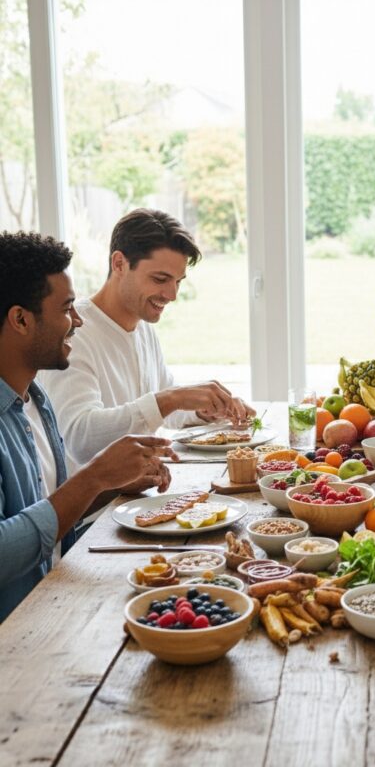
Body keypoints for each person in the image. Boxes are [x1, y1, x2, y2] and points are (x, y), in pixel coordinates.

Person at [0, 231, 178, 622]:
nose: (78, 320)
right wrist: (94, 477)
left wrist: (109, 483)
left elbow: (49, 516)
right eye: (66, 308)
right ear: (20, 319)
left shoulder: (35, 401)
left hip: (56, 599)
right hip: (20, 634)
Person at [39, 208, 252, 472]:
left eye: (178, 281)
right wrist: (171, 399)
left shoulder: (142, 326)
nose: (172, 294)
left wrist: (203, 409)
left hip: (140, 494)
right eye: (160, 279)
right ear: (119, 264)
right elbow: (80, 439)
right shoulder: (74, 334)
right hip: (96, 510)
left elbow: (163, 407)